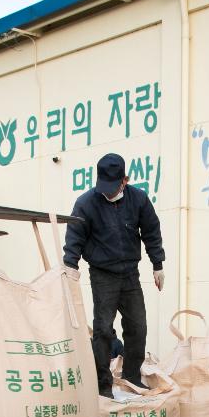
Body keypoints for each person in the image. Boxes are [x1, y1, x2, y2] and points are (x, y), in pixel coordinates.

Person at [63, 153, 165, 398]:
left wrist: (157, 263)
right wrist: (70, 266)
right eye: (103, 188)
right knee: (103, 330)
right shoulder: (86, 203)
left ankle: (131, 376)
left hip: (130, 273)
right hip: (103, 275)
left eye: (113, 187)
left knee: (137, 326)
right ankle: (103, 385)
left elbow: (151, 231)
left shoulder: (138, 199)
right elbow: (75, 236)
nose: (107, 193)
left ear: (124, 181)